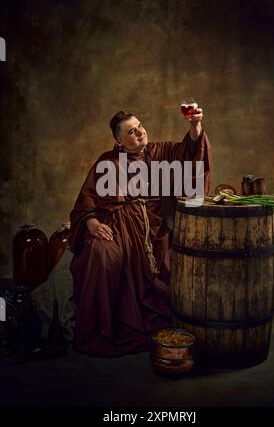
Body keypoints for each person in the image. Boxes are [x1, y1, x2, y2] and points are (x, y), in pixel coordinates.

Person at [69, 108, 212, 357]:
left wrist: (195, 126)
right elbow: (86, 201)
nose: (140, 131)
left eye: (140, 125)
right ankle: (106, 326)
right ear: (119, 140)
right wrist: (91, 223)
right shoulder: (107, 162)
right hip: (120, 224)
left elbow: (190, 151)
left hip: (157, 227)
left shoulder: (161, 152)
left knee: (170, 264)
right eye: (131, 131)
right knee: (105, 253)